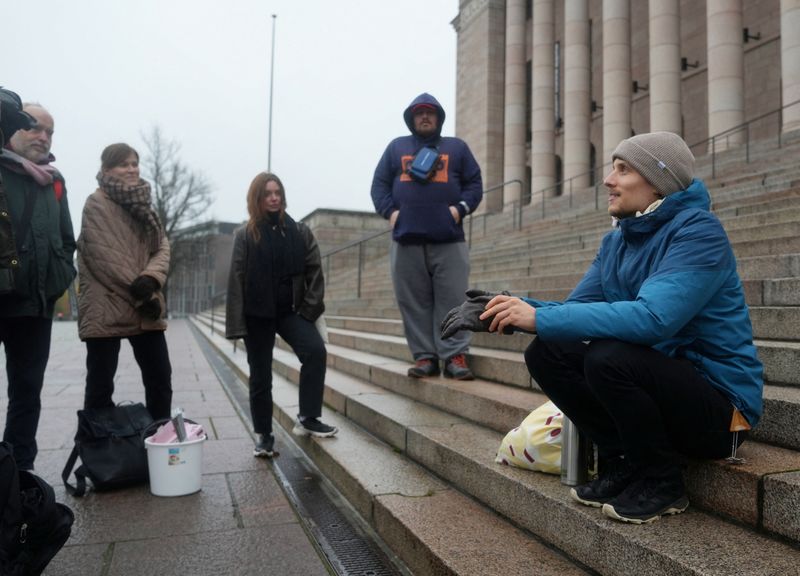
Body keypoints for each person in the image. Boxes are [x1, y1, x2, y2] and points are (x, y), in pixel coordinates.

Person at [442, 132, 763, 524]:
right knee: (548, 350)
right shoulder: (618, 242)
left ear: (657, 180)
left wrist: (537, 317)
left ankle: (662, 481)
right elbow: (576, 311)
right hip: (663, 392)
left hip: (721, 413)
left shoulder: (698, 232)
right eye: (613, 168)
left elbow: (653, 320)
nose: (608, 180)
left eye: (623, 169)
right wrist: (508, 310)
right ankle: (625, 461)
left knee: (609, 357)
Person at [371, 92, 483, 380]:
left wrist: (459, 210)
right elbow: (379, 185)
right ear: (411, 118)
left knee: (454, 299)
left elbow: (474, 183)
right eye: (419, 112)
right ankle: (425, 357)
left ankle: (455, 356)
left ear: (438, 117)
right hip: (406, 240)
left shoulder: (456, 148)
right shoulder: (396, 148)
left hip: (449, 239)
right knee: (413, 301)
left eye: (430, 112)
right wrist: (392, 214)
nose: (424, 116)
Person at [226, 172, 338, 458]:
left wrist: (308, 310)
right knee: (261, 375)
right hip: (257, 315)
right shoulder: (244, 235)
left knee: (315, 351)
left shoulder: (299, 231)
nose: (274, 198)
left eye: (277, 192)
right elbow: (236, 280)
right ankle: (264, 434)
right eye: (267, 194)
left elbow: (315, 271)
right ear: (257, 199)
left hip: (291, 311)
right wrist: (237, 324)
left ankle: (308, 416)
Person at [0, 99, 76, 470]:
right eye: (34, 127)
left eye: (49, 132)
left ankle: (18, 475)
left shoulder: (54, 182)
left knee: (27, 392)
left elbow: (66, 239)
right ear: (12, 126)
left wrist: (58, 280)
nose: (43, 137)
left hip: (36, 304)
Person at [77, 143, 172, 421]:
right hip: (108, 304)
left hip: (145, 303)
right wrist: (143, 293)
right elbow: (105, 258)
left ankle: (157, 440)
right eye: (123, 164)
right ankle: (100, 452)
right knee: (100, 386)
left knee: (160, 380)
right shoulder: (96, 203)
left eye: (134, 163)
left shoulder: (144, 205)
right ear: (106, 169)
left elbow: (162, 247)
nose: (131, 169)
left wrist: (151, 278)